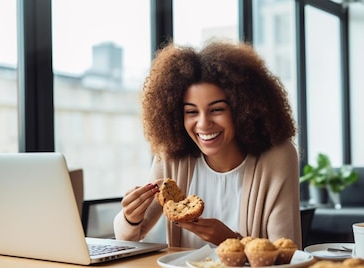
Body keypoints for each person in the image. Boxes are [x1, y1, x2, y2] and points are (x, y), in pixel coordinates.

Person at [113, 39, 302, 249]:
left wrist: (231, 240)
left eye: (217, 109)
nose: (203, 124)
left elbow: (288, 254)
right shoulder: (172, 156)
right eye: (191, 112)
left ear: (242, 110)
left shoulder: (277, 156)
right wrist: (131, 217)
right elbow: (127, 238)